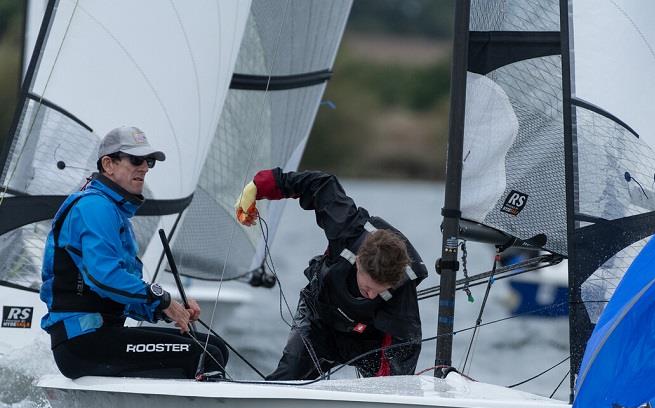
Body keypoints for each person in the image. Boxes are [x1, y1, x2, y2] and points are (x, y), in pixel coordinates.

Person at [40, 126, 228, 379]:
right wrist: (160, 297)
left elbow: (118, 295)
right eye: (136, 160)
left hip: (100, 337)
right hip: (82, 343)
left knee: (216, 348)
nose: (145, 167)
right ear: (108, 164)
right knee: (206, 354)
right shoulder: (94, 207)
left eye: (149, 161)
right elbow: (104, 278)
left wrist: (164, 310)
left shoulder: (111, 211)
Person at [234, 168, 427, 379]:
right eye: (368, 288)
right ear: (359, 262)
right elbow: (321, 185)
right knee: (289, 375)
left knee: (387, 382)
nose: (371, 295)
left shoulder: (402, 286)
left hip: (367, 338)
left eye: (380, 292)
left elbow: (404, 349)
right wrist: (258, 187)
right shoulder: (347, 229)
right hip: (319, 318)